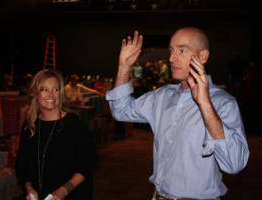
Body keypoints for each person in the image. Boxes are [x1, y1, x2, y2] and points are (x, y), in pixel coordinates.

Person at [106, 29, 249, 199]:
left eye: (182, 50)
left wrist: (204, 104)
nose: (172, 58)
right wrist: (124, 67)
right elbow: (120, 111)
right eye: (171, 50)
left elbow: (235, 163)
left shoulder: (223, 103)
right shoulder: (162, 96)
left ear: (203, 56)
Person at [14, 69, 98, 200]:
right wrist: (30, 189)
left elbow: (88, 162)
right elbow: (21, 165)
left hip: (71, 195)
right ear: (36, 93)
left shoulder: (73, 124)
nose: (51, 95)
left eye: (55, 90)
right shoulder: (29, 126)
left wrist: (63, 191)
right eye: (45, 90)